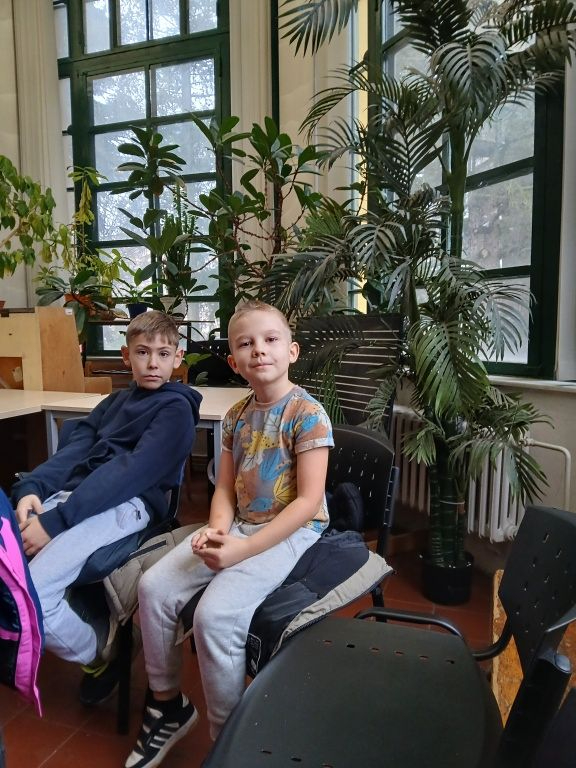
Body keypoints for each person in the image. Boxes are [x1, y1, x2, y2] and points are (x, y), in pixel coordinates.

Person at [125, 300, 333, 768]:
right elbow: (223, 487)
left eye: (270, 339)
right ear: (234, 362)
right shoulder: (236, 416)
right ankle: (167, 704)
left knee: (214, 617)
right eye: (245, 343)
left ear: (292, 351)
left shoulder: (308, 413)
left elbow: (307, 503)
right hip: (239, 522)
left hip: (293, 530)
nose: (259, 349)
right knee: (153, 587)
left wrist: (242, 550)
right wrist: (217, 530)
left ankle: (228, 743)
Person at [10, 311, 202, 693]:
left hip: (129, 504)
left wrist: (56, 522)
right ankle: (86, 621)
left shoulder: (176, 410)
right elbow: (74, 452)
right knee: (9, 568)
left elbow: (130, 473)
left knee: (30, 596)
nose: (152, 363)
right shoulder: (114, 403)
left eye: (163, 354)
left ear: (178, 358)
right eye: (143, 352)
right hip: (82, 498)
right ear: (126, 355)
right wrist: (32, 488)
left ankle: (101, 652)